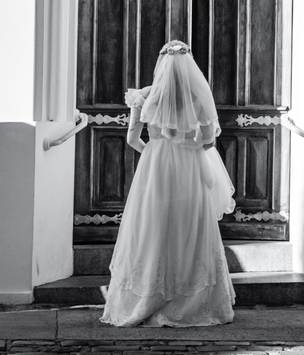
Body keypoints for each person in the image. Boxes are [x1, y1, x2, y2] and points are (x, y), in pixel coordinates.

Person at [101, 40, 237, 327]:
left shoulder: (143, 97)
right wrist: (187, 145)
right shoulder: (198, 98)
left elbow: (132, 139)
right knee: (189, 229)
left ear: (160, 65)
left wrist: (154, 153)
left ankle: (147, 297)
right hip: (189, 168)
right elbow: (208, 141)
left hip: (156, 170)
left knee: (153, 229)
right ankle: (189, 301)